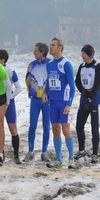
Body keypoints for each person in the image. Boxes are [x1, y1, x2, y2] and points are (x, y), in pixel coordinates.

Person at [41, 37, 76, 169]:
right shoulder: (49, 64)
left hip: (63, 102)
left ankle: (71, 158)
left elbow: (72, 87)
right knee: (56, 130)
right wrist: (45, 93)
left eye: (53, 45)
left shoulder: (66, 64)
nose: (50, 47)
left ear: (59, 48)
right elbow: (49, 82)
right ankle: (59, 160)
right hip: (53, 102)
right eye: (50, 45)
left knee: (66, 130)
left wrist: (69, 104)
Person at [0, 49, 23, 164]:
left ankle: (16, 155)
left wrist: (10, 97)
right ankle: (1, 154)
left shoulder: (10, 71)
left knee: (12, 128)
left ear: (2, 60)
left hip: (8, 104)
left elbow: (19, 88)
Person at [24, 42, 51, 162]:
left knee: (46, 126)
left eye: (35, 51)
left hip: (47, 100)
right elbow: (27, 79)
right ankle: (30, 151)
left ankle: (44, 152)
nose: (33, 52)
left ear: (42, 52)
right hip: (35, 100)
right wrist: (31, 93)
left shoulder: (51, 64)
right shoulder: (31, 65)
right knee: (32, 126)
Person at [74, 44, 100, 164]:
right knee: (79, 126)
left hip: (95, 101)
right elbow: (77, 81)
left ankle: (95, 152)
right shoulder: (82, 66)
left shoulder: (98, 66)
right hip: (83, 100)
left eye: (84, 54)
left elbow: (98, 84)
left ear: (90, 55)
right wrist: (83, 92)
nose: (82, 56)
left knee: (94, 128)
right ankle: (81, 150)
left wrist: (91, 97)